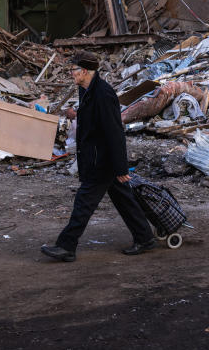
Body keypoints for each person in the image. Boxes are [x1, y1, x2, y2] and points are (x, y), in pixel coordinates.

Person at [41, 51, 155, 262]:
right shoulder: (87, 90)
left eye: (73, 70)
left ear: (84, 71)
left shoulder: (103, 94)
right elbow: (93, 119)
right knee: (124, 199)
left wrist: (121, 167)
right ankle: (145, 237)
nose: (71, 74)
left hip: (101, 161)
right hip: (96, 157)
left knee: (84, 202)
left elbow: (114, 132)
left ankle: (66, 246)